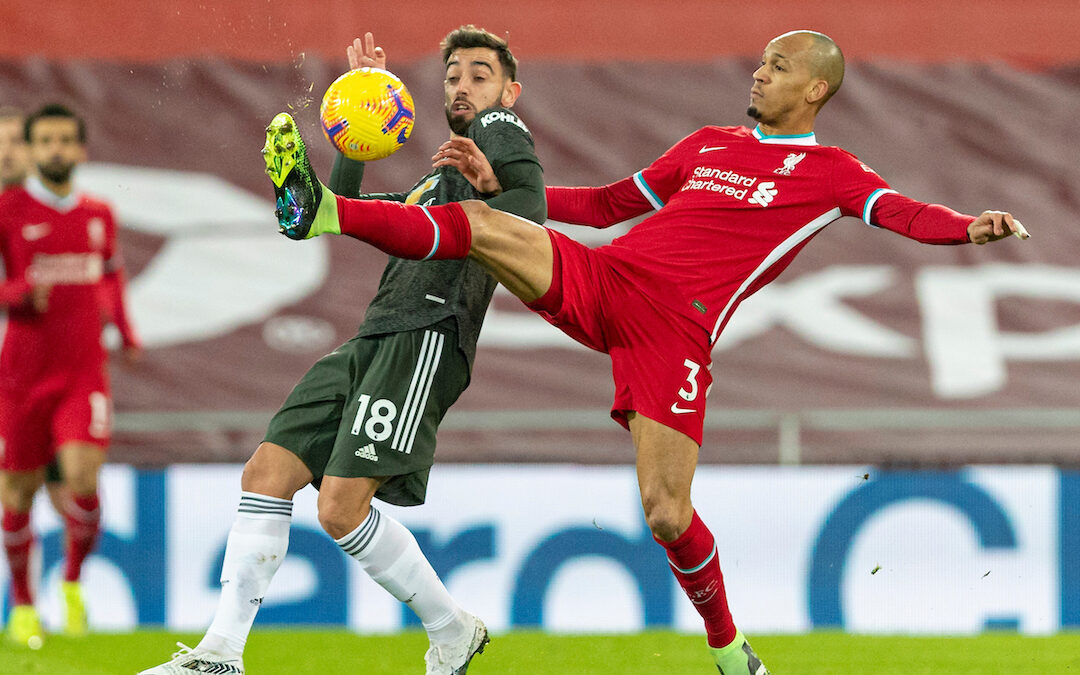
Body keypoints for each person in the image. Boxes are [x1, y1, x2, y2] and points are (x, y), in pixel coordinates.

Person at [264, 30, 1030, 673]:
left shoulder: (831, 173)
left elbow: (899, 211)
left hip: (675, 331)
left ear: (815, 92)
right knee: (488, 226)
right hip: (608, 278)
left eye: (779, 66)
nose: (760, 71)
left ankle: (731, 650)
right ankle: (326, 210)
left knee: (666, 514)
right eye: (761, 60)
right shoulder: (707, 144)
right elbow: (607, 206)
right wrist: (501, 184)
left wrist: (968, 226)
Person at [140, 26, 544, 675]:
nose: (463, 86)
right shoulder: (435, 179)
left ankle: (452, 628)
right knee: (267, 473)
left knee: (340, 508)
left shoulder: (501, 135)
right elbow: (344, 213)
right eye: (453, 76)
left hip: (426, 335)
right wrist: (349, 138)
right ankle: (219, 653)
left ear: (509, 91)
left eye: (479, 74)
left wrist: (494, 181)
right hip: (374, 334)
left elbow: (531, 212)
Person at [0, 103, 141, 648]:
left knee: (83, 480)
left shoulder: (99, 213)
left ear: (80, 150)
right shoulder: (8, 209)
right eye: (46, 141)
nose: (56, 149)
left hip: (83, 371)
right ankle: (24, 605)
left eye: (66, 140)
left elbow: (111, 276)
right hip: (22, 374)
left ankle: (75, 581)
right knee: (18, 491)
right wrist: (15, 295)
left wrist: (126, 331)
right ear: (32, 151)